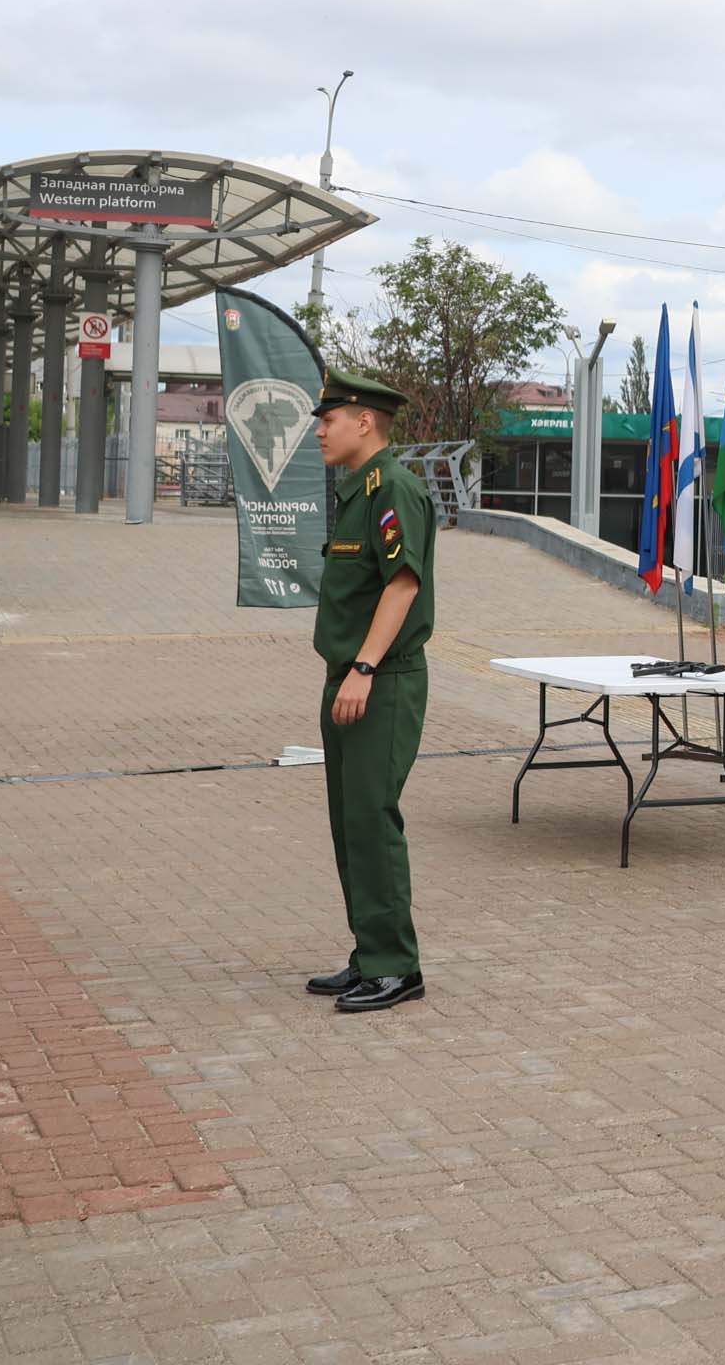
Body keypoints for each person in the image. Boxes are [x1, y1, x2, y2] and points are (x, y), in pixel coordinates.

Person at [304, 367, 437, 1013]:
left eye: (328, 420)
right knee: (351, 822)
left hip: (380, 680)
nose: (320, 432)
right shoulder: (358, 492)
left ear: (364, 422)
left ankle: (396, 967)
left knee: (373, 819)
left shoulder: (393, 490)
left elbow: (402, 583)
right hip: (351, 677)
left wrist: (363, 668)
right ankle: (370, 954)